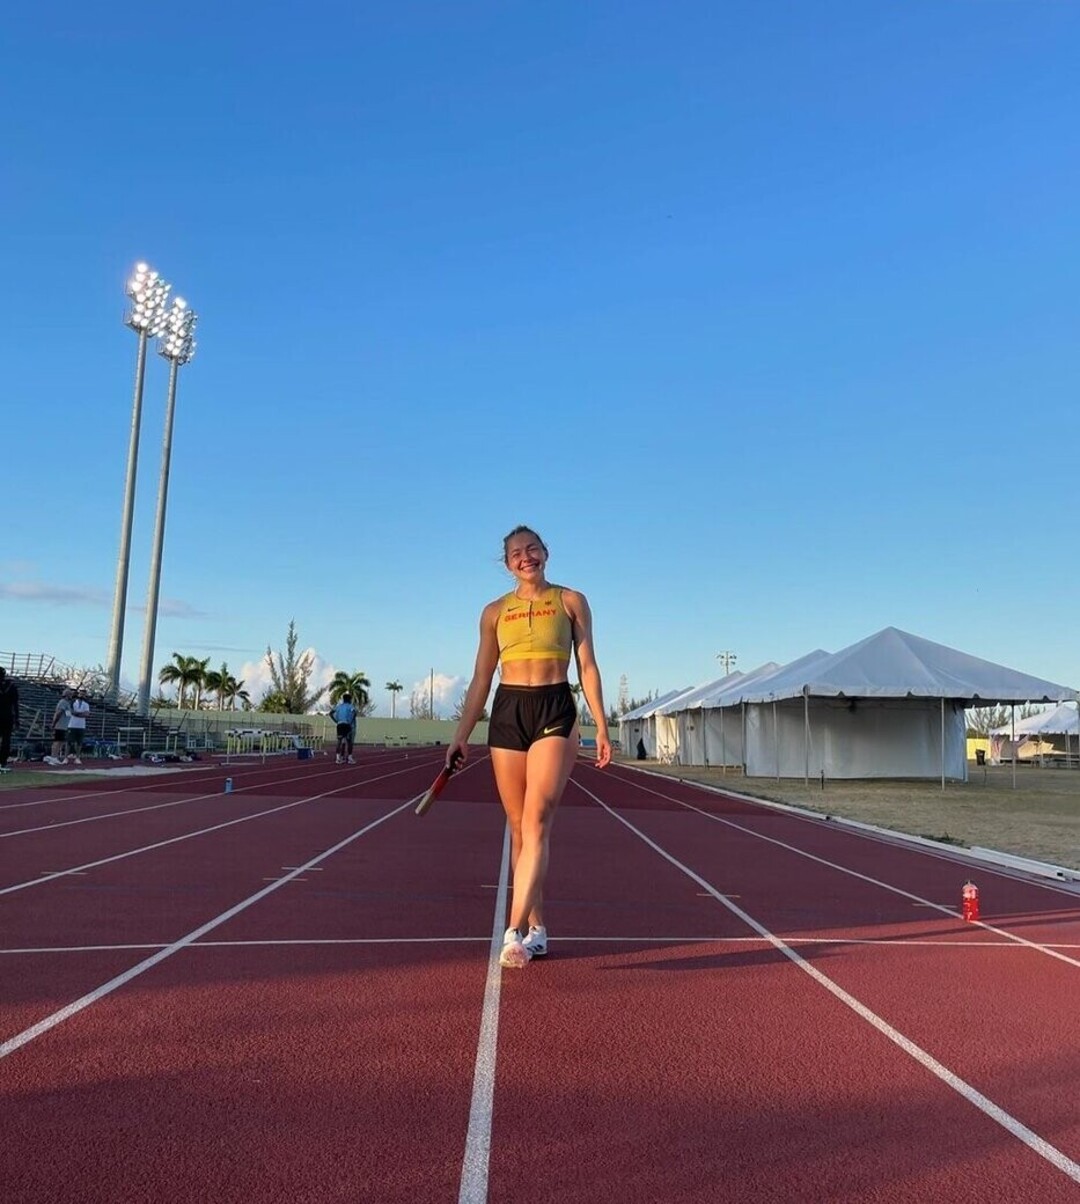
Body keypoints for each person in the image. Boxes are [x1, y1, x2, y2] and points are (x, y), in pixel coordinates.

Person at [448, 525, 611, 969]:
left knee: (537, 819)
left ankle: (513, 929)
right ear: (507, 564)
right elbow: (482, 678)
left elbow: (588, 666)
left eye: (533, 549)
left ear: (546, 553)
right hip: (508, 711)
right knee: (519, 828)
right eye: (517, 553)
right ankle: (537, 929)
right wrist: (461, 735)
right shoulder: (493, 612)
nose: (526, 557)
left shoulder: (571, 601)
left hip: (554, 707)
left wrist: (601, 725)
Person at [45, 688, 73, 765]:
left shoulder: (67, 703)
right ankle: (53, 757)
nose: (71, 696)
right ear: (67, 695)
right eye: (70, 695)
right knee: (57, 741)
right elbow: (59, 713)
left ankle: (55, 757)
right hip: (60, 725)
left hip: (64, 726)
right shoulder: (63, 702)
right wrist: (54, 724)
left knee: (60, 742)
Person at [0, 667, 19, 774]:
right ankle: (3, 762)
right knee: (6, 740)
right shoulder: (12, 686)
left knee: (6, 740)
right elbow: (15, 705)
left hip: (5, 715)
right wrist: (17, 719)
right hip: (7, 716)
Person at [330, 693, 358, 764]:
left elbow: (330, 713)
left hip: (339, 724)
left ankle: (338, 758)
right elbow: (354, 712)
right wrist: (351, 721)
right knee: (349, 741)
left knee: (339, 741)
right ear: (349, 700)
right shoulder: (350, 706)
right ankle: (349, 758)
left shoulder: (338, 706)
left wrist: (336, 720)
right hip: (347, 724)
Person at [67, 689, 91, 765]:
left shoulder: (86, 704)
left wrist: (76, 714)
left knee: (79, 742)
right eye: (81, 694)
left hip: (81, 726)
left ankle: (77, 757)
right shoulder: (73, 702)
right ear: (78, 694)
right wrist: (81, 714)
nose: (82, 695)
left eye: (84, 694)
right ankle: (65, 757)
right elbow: (70, 712)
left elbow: (87, 714)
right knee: (69, 742)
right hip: (72, 724)